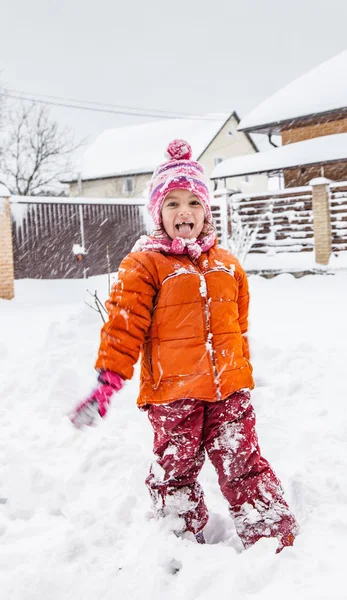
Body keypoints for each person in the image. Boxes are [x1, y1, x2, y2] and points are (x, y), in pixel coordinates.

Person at [70, 139, 298, 553]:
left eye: (193, 202)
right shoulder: (144, 265)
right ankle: (177, 541)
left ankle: (271, 537)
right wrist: (106, 385)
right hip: (173, 396)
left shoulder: (227, 264)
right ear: (157, 213)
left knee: (243, 463)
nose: (184, 212)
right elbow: (124, 329)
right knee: (176, 470)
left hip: (229, 391)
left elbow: (238, 326)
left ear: (206, 211)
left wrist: (241, 373)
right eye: (172, 203)